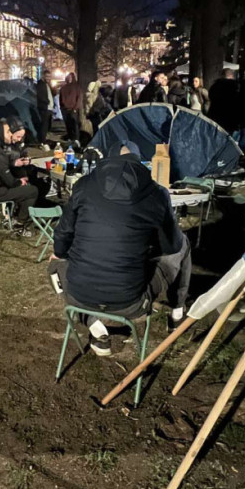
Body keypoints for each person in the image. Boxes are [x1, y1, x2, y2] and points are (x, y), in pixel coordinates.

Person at [49, 140, 192, 355]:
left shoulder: (83, 185)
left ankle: (94, 327)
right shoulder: (156, 193)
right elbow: (171, 245)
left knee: (54, 264)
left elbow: (62, 237)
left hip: (79, 296)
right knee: (183, 244)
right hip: (132, 303)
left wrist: (60, 254)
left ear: (107, 159)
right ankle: (177, 312)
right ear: (138, 162)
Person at [208, 68, 239, 135]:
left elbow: (210, 97)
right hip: (229, 117)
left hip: (215, 116)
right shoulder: (234, 86)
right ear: (232, 76)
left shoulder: (215, 86)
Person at [59, 72, 83, 144]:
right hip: (65, 109)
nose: (69, 79)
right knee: (68, 124)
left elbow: (79, 98)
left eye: (70, 77)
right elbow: (60, 98)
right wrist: (62, 108)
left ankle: (76, 139)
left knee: (74, 124)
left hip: (73, 109)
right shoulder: (63, 88)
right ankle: (70, 137)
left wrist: (76, 108)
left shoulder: (76, 87)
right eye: (68, 77)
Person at [36, 69, 54, 150]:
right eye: (47, 76)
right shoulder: (40, 85)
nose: (48, 78)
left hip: (48, 108)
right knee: (44, 126)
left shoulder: (47, 84)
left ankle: (44, 140)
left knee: (47, 126)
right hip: (44, 108)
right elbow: (40, 96)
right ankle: (42, 142)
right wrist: (47, 101)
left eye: (49, 77)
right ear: (43, 76)